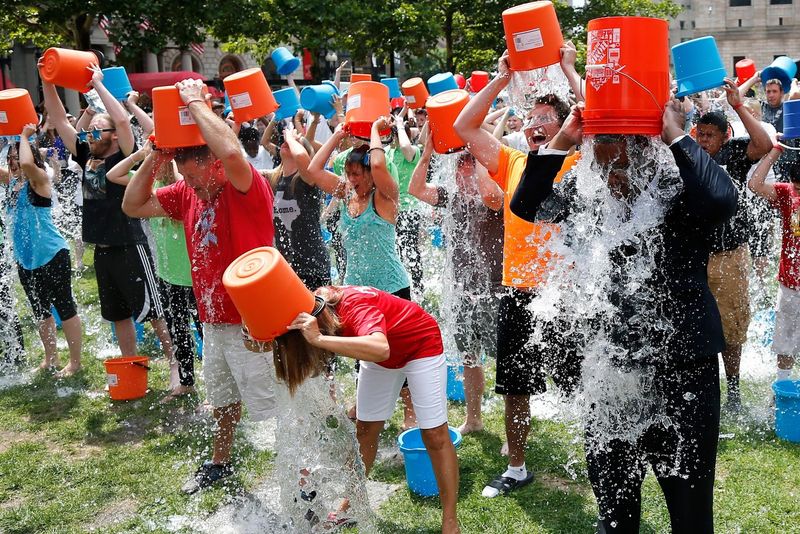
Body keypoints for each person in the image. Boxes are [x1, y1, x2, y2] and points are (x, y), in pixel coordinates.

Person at [510, 98, 737, 533]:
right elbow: (527, 206)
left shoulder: (678, 191)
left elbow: (722, 200)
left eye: (616, 147)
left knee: (691, 518)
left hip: (683, 374)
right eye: (597, 144)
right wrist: (562, 139)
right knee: (614, 519)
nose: (605, 166)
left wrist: (675, 132)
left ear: (645, 148)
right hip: (610, 376)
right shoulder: (588, 194)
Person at [122, 78, 279, 493]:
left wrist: (194, 102)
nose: (192, 188)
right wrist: (157, 154)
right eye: (186, 181)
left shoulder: (247, 186)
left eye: (196, 179)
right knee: (224, 398)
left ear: (214, 164)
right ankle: (220, 461)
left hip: (254, 321)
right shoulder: (189, 193)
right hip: (213, 318)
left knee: (274, 406)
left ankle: (299, 476)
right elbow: (133, 204)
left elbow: (231, 149)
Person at [453, 47, 581, 498]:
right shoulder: (512, 161)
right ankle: (517, 465)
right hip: (518, 290)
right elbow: (463, 127)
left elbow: (596, 118)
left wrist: (568, 69)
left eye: (547, 117)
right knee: (516, 385)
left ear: (564, 126)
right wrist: (500, 79)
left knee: (581, 380)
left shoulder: (574, 158)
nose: (535, 122)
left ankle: (599, 455)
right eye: (532, 114)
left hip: (567, 295)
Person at [276, 285, 460, 534]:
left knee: (435, 435)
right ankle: (350, 505)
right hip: (381, 359)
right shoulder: (316, 304)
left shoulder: (354, 307)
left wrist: (318, 340)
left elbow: (380, 347)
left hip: (420, 346)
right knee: (364, 430)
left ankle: (450, 519)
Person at [40, 65, 174, 361]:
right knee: (118, 315)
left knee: (154, 312)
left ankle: (178, 366)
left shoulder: (124, 153)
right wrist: (47, 81)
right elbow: (60, 119)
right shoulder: (86, 154)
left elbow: (124, 120)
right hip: (102, 249)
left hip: (129, 244)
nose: (89, 134)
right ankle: (131, 365)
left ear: (113, 136)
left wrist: (99, 85)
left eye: (97, 130)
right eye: (88, 130)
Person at [408, 136, 504, 434]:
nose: (461, 173)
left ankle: (513, 428)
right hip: (463, 291)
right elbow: (415, 189)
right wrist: (426, 152)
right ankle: (474, 419)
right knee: (469, 358)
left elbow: (492, 197)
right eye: (459, 167)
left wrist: (480, 157)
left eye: (468, 166)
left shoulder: (495, 196)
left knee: (505, 362)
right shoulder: (452, 197)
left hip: (495, 291)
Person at [694, 80, 772, 412]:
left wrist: (738, 105)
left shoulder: (735, 153)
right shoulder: (688, 154)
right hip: (697, 254)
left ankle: (735, 390)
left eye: (711, 134)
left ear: (725, 135)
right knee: (698, 322)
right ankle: (702, 388)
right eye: (701, 133)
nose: (705, 139)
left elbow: (765, 143)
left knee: (732, 325)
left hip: (730, 254)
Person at [107, 142, 199, 402]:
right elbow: (113, 175)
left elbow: (180, 177)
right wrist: (141, 155)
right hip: (168, 275)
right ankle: (186, 383)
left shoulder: (180, 188)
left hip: (192, 276)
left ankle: (218, 390)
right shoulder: (148, 188)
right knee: (178, 331)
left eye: (156, 163)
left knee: (204, 331)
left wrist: (164, 153)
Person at [1, 126, 82, 376]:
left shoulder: (39, 180)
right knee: (40, 311)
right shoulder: (11, 184)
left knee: (65, 307)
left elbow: (27, 164)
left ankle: (75, 362)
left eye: (17, 158)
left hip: (52, 254)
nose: (14, 163)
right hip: (26, 260)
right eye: (9, 159)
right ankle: (51, 357)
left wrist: (22, 136)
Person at [748, 144, 800, 385]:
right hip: (790, 282)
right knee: (785, 340)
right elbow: (755, 184)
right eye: (797, 188)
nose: (798, 193)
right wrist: (776, 150)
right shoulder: (787, 193)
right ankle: (782, 388)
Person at [271, 129, 331, 289]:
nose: (287, 143)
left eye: (297, 144)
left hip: (313, 267)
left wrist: (290, 138)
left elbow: (301, 158)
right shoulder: (273, 179)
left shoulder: (307, 179)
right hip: (288, 269)